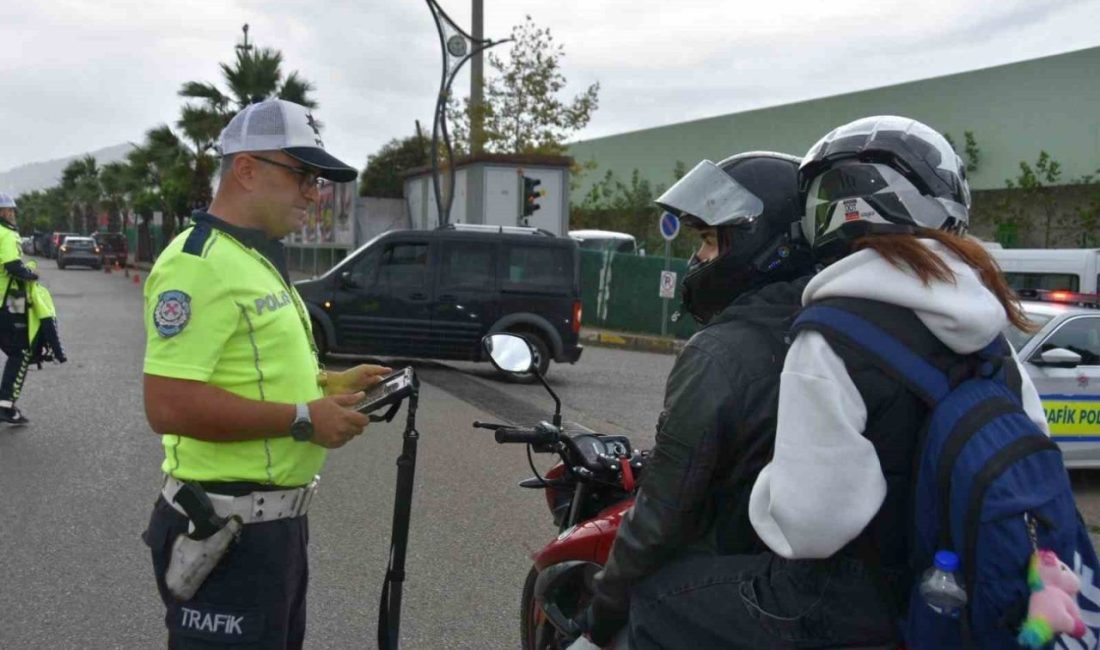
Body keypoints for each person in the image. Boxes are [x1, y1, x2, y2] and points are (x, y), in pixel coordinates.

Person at [732, 116, 1049, 647]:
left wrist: (765, 490)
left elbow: (809, 527)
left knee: (657, 603)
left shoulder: (830, 333)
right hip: (972, 595)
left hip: (864, 607)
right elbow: (1034, 445)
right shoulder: (989, 332)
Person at [140, 99, 391, 649]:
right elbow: (168, 405)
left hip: (273, 530)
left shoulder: (254, 257)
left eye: (318, 179)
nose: (314, 191)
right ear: (247, 170)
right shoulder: (197, 264)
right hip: (225, 531)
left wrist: (329, 385)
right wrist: (304, 419)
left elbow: (251, 370)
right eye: (302, 174)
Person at [576, 152, 815, 647]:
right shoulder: (824, 330)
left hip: (724, 595)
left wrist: (600, 615)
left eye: (708, 240)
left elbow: (660, 518)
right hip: (803, 593)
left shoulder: (721, 354)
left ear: (763, 244)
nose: (698, 259)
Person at [0, 193, 40, 425]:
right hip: (5, 302)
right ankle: (5, 405)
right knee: (19, 352)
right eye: (10, 211)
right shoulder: (7, 234)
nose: (13, 215)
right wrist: (31, 274)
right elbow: (13, 266)